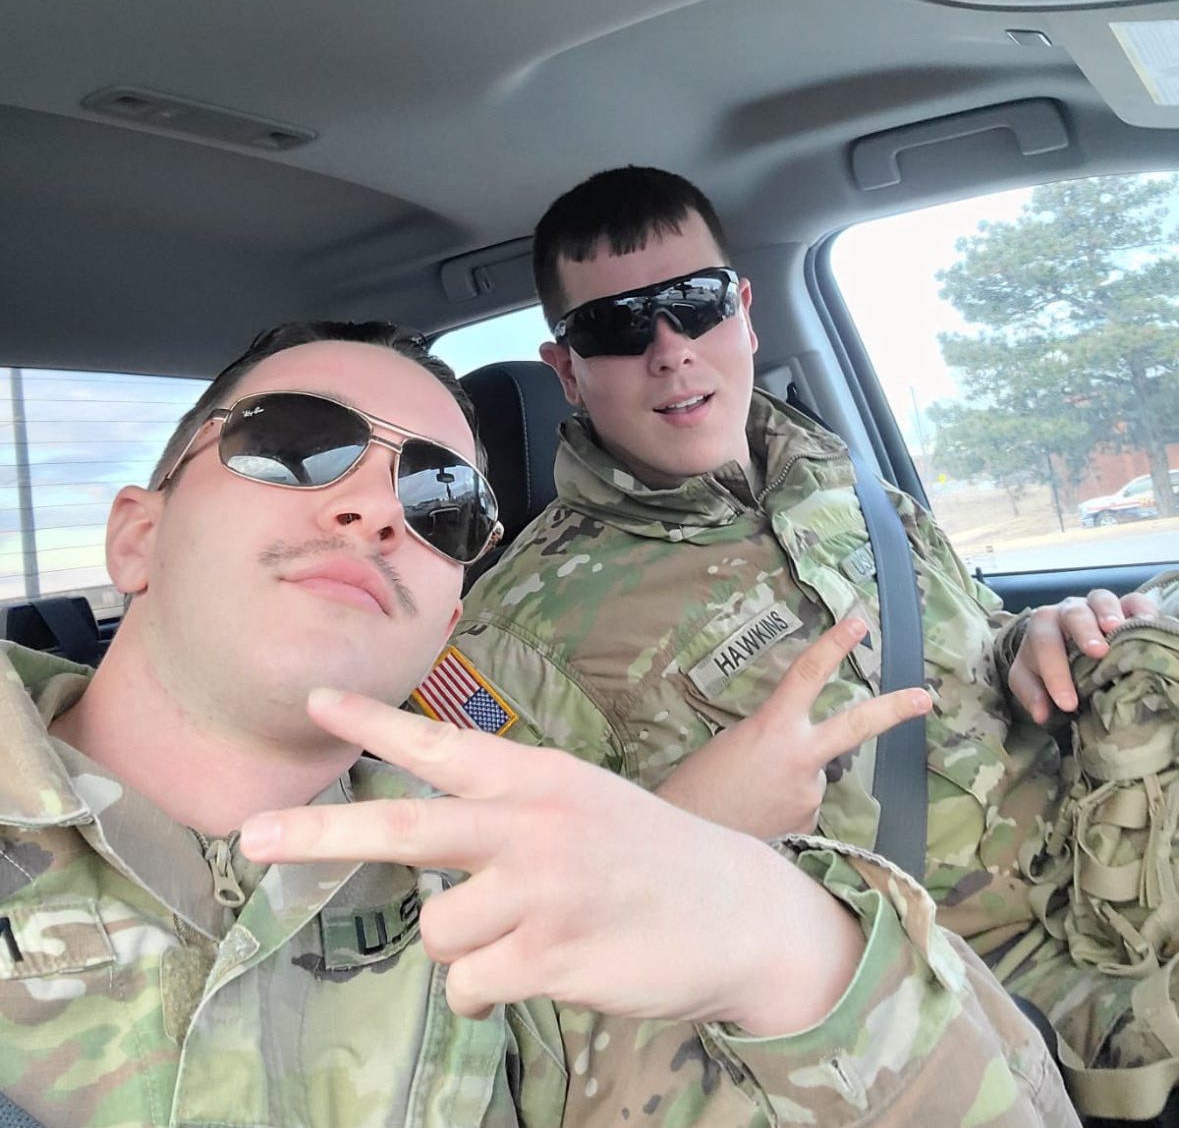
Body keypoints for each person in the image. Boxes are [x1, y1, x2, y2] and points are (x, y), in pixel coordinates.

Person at [0, 320, 1071, 1128]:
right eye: (294, 445)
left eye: (441, 500)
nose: (376, 508)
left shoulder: (508, 928)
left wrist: (783, 939)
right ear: (136, 537)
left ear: (446, 623)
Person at [452, 166, 1179, 1116]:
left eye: (694, 303)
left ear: (743, 311)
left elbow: (979, 640)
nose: (670, 349)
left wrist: (1032, 635)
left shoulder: (853, 490)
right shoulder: (515, 634)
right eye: (617, 326)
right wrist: (691, 824)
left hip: (1118, 870)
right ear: (568, 369)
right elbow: (517, 932)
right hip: (944, 1000)